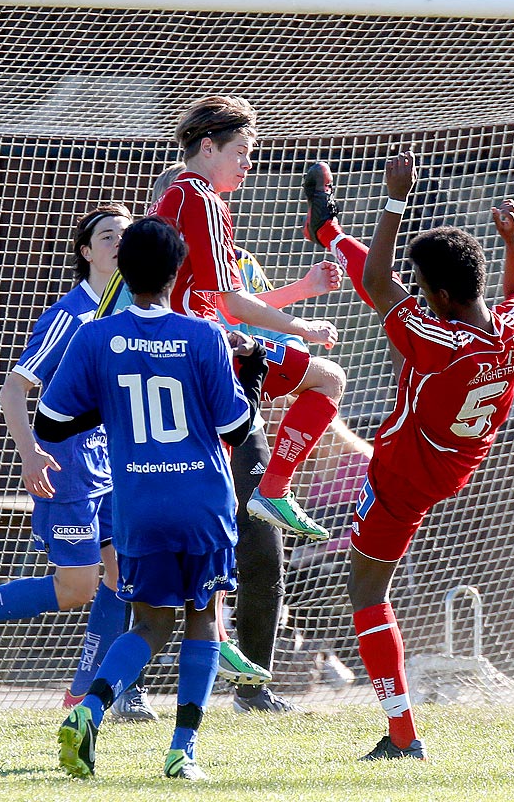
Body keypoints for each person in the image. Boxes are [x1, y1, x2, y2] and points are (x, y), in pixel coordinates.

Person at [302, 153, 514, 760]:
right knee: (396, 333)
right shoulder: (510, 331)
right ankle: (329, 229)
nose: (419, 297)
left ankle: (402, 735)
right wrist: (513, 241)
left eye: (425, 292)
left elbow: (382, 284)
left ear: (440, 296)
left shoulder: (442, 342)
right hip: (451, 461)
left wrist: (393, 199)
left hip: (406, 474)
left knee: (366, 589)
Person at [35, 216, 269, 780]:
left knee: (147, 625)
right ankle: (182, 751)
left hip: (137, 505)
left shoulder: (94, 335)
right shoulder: (204, 336)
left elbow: (50, 422)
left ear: (123, 268)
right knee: (203, 619)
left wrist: (112, 408)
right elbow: (243, 434)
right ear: (177, 271)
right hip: (202, 504)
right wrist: (254, 375)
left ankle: (89, 708)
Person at [0, 203, 153, 719]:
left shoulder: (127, 309)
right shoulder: (72, 315)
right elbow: (15, 387)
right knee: (77, 588)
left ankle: (83, 693)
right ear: (86, 252)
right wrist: (30, 453)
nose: (118, 242)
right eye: (107, 235)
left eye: (126, 235)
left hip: (107, 463)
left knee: (120, 574)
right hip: (65, 466)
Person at [149, 96, 348, 713]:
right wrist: (303, 324)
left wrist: (301, 293)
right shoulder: (199, 199)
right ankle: (156, 681)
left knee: (235, 543)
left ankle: (244, 684)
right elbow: (226, 306)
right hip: (212, 372)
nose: (248, 166)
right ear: (206, 148)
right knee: (327, 378)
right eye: (242, 153)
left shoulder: (186, 202)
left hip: (216, 370)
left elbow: (225, 296)